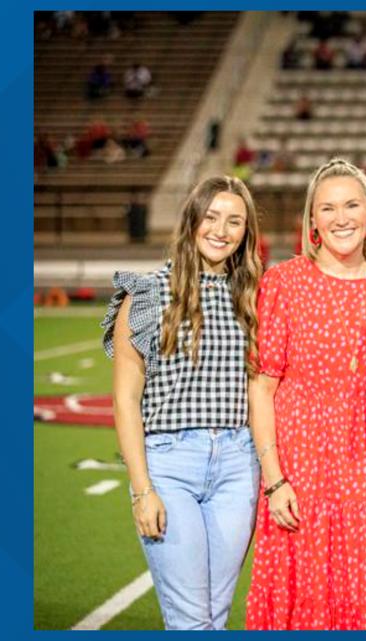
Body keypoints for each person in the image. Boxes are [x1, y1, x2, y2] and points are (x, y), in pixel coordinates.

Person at [245, 159, 366, 630]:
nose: (341, 217)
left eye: (351, 205)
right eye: (327, 208)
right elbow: (261, 386)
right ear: (313, 222)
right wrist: (274, 479)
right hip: (302, 464)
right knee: (304, 585)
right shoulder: (284, 282)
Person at [102, 176, 264, 629]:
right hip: (169, 465)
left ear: (246, 231)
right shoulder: (149, 293)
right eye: (211, 217)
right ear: (191, 220)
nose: (221, 230)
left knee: (214, 613)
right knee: (190, 619)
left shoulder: (254, 295)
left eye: (235, 221)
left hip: (237, 464)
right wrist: (142, 489)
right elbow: (125, 399)